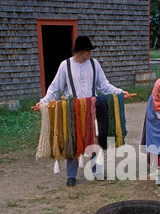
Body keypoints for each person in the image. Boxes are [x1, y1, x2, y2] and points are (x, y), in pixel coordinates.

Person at [35, 35, 129, 186]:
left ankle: (96, 171)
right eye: (88, 51)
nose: (90, 53)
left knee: (94, 141)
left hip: (92, 109)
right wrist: (43, 102)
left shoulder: (94, 64)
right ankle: (71, 176)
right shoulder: (65, 66)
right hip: (73, 111)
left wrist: (119, 92)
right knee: (72, 141)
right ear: (79, 51)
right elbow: (55, 89)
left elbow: (104, 85)